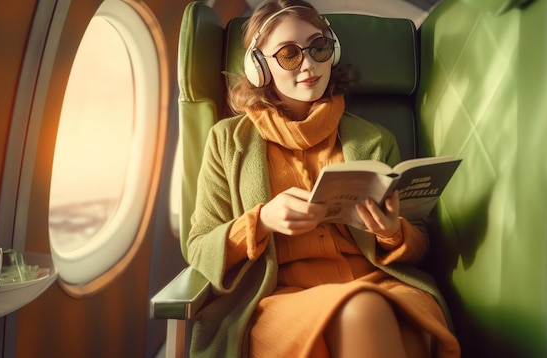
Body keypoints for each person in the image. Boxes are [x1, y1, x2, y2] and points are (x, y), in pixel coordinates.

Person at [184, 0, 461, 357]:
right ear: (258, 68)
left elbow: (420, 242)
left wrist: (392, 231)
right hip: (282, 300)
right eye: (288, 54)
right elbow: (199, 249)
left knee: (391, 320)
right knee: (365, 312)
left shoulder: (375, 139)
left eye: (319, 47)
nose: (309, 64)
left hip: (382, 284)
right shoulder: (227, 142)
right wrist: (262, 221)